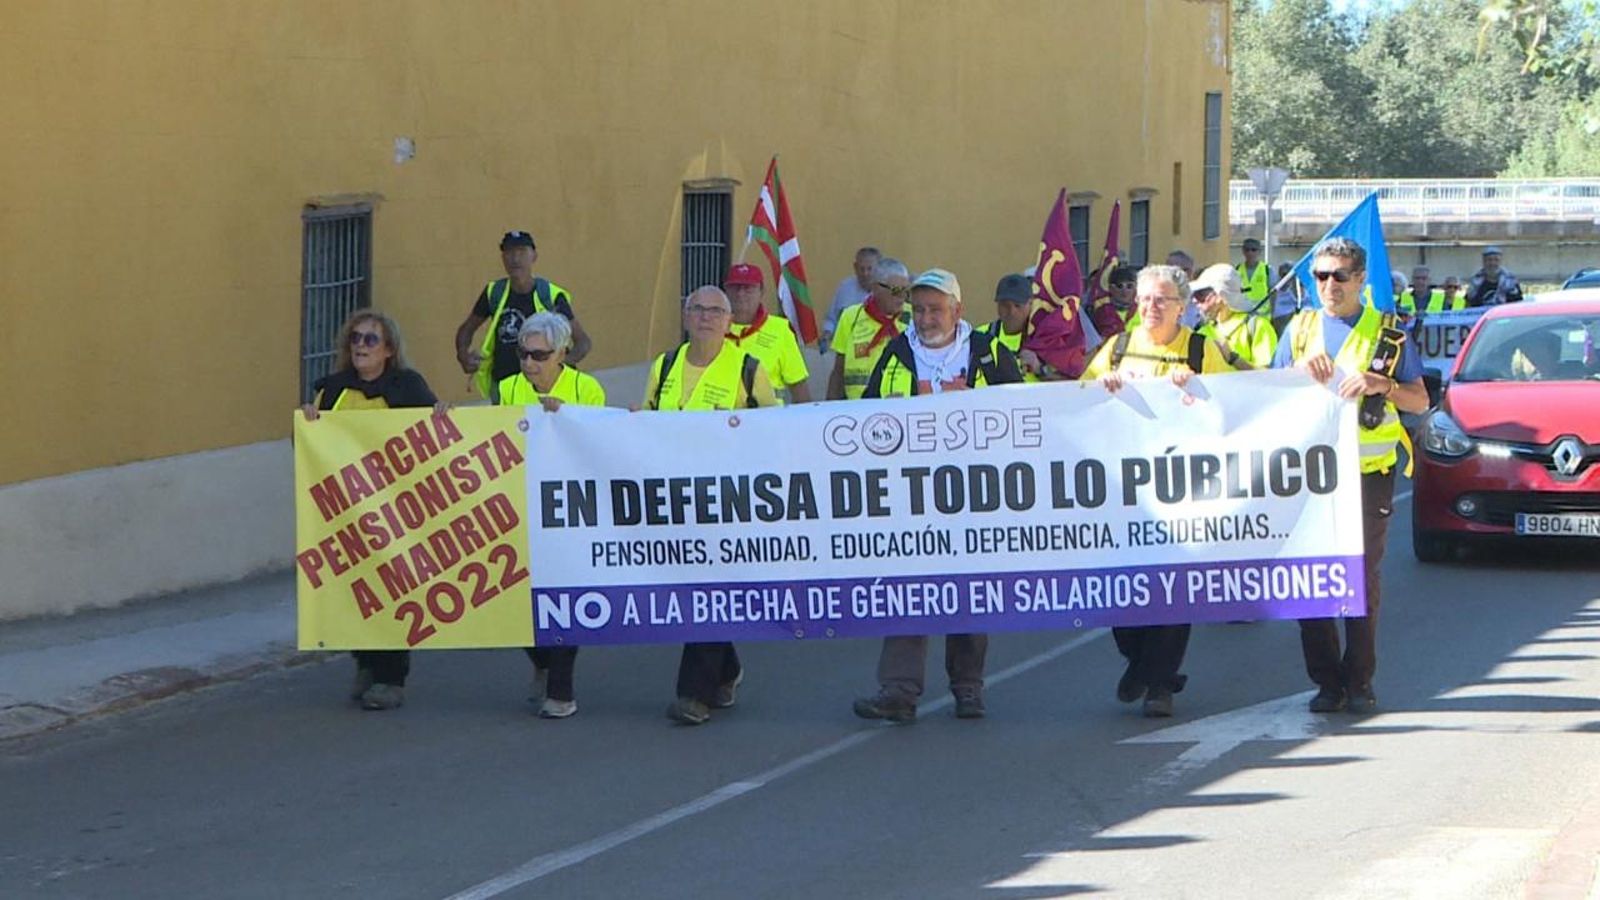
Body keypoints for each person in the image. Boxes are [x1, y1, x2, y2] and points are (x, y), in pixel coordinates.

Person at [852, 268, 1023, 723]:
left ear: (957, 310)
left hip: (973, 495)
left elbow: (1024, 413)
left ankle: (968, 689)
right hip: (910, 496)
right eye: (920, 310)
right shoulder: (897, 353)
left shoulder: (988, 352)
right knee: (909, 590)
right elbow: (867, 415)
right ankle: (898, 691)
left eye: (935, 310)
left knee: (967, 593)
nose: (926, 319)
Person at [1273, 237, 1428, 714]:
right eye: (1320, 276)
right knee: (1310, 577)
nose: (1329, 285)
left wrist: (1384, 385)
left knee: (1359, 576)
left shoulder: (1389, 334)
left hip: (1367, 472)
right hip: (1308, 475)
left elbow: (1420, 400)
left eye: (1339, 276)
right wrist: (1297, 372)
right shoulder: (1298, 329)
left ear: (1361, 279)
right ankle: (1327, 682)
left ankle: (1360, 679)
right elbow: (1267, 394)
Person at [1080, 265, 1240, 718]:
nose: (1151, 307)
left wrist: (1199, 391)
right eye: (1145, 299)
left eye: (1162, 300)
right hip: (1126, 489)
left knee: (1173, 588)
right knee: (1122, 591)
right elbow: (1081, 399)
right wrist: (1102, 386)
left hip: (1183, 488)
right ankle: (1144, 664)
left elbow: (1234, 407)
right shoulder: (1118, 348)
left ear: (1181, 306)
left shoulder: (1199, 349)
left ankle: (1158, 686)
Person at [644, 286, 779, 725]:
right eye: (697, 309)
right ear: (685, 317)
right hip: (674, 500)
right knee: (694, 589)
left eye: (715, 311)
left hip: (728, 504)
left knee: (710, 589)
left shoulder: (748, 369)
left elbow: (774, 431)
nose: (705, 317)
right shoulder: (665, 366)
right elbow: (645, 424)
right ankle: (727, 668)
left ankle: (694, 694)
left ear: (729, 321)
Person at [301, 310, 442, 712]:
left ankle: (390, 678)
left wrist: (441, 415)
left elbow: (434, 435)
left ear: (389, 350)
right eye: (355, 338)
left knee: (393, 591)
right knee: (354, 592)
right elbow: (312, 449)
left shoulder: (408, 387)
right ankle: (365, 662)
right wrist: (307, 425)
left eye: (370, 339)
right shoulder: (333, 391)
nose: (360, 346)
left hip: (396, 510)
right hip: (348, 511)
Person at [497, 312, 607, 718]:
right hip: (522, 503)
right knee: (515, 599)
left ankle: (561, 692)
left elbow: (600, 440)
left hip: (569, 507)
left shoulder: (585, 388)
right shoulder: (508, 388)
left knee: (563, 598)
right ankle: (542, 663)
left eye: (539, 355)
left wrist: (566, 420)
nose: (529, 363)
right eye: (524, 354)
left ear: (561, 353)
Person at [453, 230, 592, 402]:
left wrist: (555, 365)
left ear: (534, 256)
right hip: (505, 387)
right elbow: (466, 330)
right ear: (503, 258)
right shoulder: (494, 293)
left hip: (544, 390)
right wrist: (463, 355)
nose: (515, 258)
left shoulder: (550, 295)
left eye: (522, 252)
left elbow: (583, 342)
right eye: (509, 252)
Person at [724, 263, 812, 403]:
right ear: (725, 291)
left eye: (748, 288)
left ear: (761, 291)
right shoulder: (712, 328)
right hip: (721, 414)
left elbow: (798, 386)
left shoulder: (780, 330)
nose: (741, 294)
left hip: (768, 414)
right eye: (735, 287)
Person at [827, 257, 912, 400]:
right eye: (896, 290)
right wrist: (829, 408)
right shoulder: (851, 316)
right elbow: (838, 371)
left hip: (901, 405)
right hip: (858, 406)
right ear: (876, 288)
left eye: (906, 291)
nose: (902, 297)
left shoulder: (913, 318)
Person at [1193, 263, 1276, 369]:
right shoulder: (1202, 332)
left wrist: (1232, 358)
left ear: (1220, 296)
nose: (1194, 300)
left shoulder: (1257, 326)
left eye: (1200, 295)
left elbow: (1268, 375)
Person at [819, 246, 882, 351]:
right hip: (846, 349)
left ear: (879, 269)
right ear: (855, 267)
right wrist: (826, 335)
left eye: (869, 269)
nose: (865, 274)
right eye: (861, 269)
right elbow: (832, 318)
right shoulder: (845, 288)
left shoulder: (886, 292)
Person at [985, 273, 1040, 382]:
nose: (1012, 312)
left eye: (1017, 305)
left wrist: (1041, 369)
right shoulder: (982, 336)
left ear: (1031, 304)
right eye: (1005, 305)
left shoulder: (1046, 339)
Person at [1090, 264, 1140, 339]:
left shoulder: (1144, 311)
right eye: (1120, 286)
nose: (1124, 291)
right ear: (1111, 288)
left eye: (1129, 286)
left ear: (1135, 289)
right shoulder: (1101, 313)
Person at [1237, 238, 1270, 305]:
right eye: (1247, 250)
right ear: (1243, 251)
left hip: (1261, 310)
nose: (1250, 253)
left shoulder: (1267, 269)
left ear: (1259, 251)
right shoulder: (1237, 270)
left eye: (1253, 250)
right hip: (1242, 310)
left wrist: (1273, 310)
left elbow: (1274, 293)